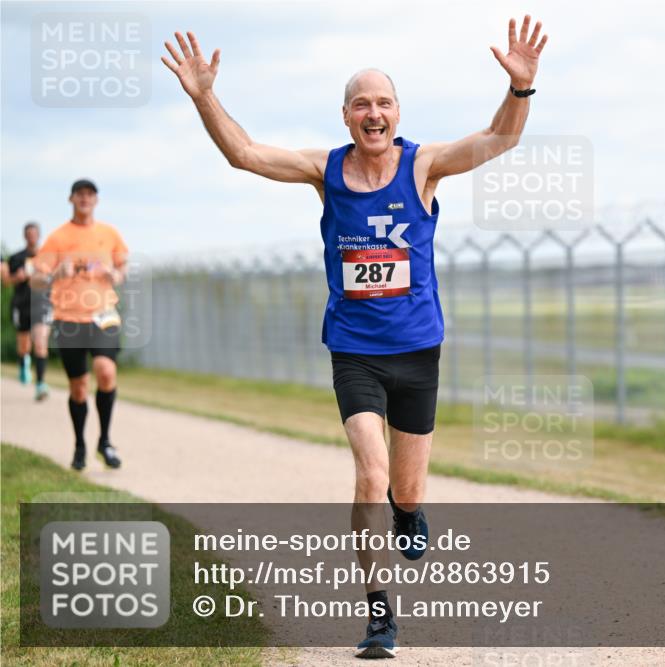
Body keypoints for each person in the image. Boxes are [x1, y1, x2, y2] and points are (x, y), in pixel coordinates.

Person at [163, 15, 548, 658]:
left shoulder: (423, 166)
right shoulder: (327, 171)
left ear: (398, 113)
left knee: (406, 489)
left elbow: (495, 142)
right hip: (355, 351)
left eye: (384, 102)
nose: (374, 113)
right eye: (362, 103)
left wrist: (521, 90)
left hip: (418, 351)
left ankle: (410, 511)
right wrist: (205, 95)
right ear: (346, 116)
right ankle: (379, 617)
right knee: (370, 475)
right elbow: (245, 154)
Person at [30, 179, 128, 471]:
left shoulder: (109, 234)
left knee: (106, 371)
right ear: (71, 199)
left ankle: (105, 441)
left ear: (96, 200)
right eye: (80, 194)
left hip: (103, 314)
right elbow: (35, 280)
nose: (85, 199)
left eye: (90, 195)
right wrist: (55, 274)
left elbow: (122, 268)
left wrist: (116, 274)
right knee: (79, 387)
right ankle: (80, 445)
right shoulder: (58, 238)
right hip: (69, 318)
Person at [1, 222, 53, 400]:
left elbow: (55, 278)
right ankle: (23, 362)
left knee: (40, 343)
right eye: (28, 234)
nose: (32, 237)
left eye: (34, 234)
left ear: (38, 235)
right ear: (25, 236)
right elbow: (6, 280)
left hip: (42, 303)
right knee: (24, 344)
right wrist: (18, 276)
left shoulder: (47, 257)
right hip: (21, 303)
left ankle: (40, 384)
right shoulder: (16, 258)